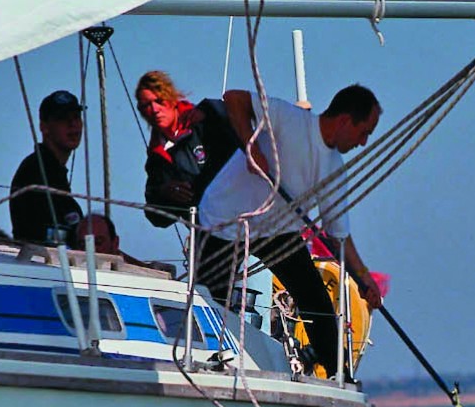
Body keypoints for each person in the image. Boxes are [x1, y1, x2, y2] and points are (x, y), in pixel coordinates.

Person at [197, 84, 384, 379]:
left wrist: (363, 280)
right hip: (223, 222)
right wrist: (251, 147)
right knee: (212, 301)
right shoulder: (289, 118)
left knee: (315, 299)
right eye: (365, 132)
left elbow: (338, 238)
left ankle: (340, 375)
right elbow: (233, 98)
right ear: (346, 120)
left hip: (276, 230)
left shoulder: (334, 168)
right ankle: (206, 364)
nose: (363, 143)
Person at [135, 70, 241, 228]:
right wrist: (166, 194)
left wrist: (209, 111)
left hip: (249, 211)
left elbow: (245, 120)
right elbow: (157, 218)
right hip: (211, 234)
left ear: (172, 99)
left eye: (159, 101)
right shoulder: (157, 160)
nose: (155, 109)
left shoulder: (210, 116)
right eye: (146, 105)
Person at [10, 90, 84, 247]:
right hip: (43, 264)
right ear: (44, 127)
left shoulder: (51, 170)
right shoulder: (36, 172)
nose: (73, 124)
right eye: (63, 119)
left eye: (76, 117)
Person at [76, 213, 177, 276]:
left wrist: (149, 268)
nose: (90, 249)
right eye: (82, 244)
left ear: (115, 243)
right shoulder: (67, 277)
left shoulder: (137, 281)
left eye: (98, 242)